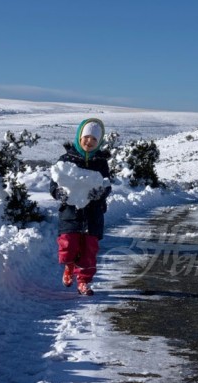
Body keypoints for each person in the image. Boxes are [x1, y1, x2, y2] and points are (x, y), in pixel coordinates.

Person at [50, 118, 111, 296]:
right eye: (86, 137)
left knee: (89, 250)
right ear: (79, 136)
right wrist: (58, 193)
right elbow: (54, 183)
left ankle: (84, 281)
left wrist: (100, 194)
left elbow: (107, 185)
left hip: (93, 213)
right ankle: (69, 266)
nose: (89, 142)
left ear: (99, 142)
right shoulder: (67, 159)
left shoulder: (100, 162)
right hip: (70, 213)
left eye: (94, 139)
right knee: (69, 244)